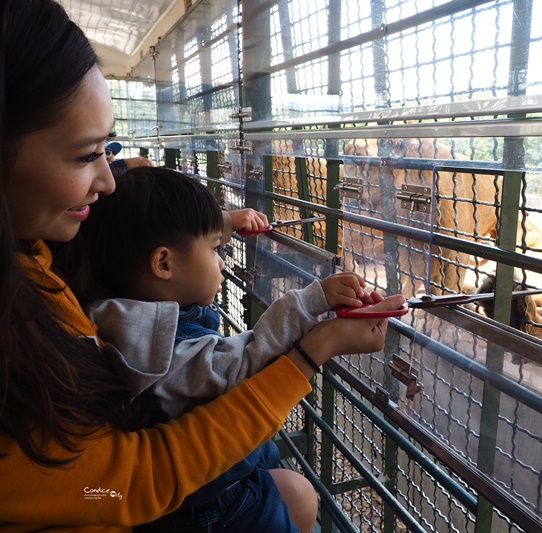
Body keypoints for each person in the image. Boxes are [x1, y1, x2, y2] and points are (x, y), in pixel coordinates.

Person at [0, 1, 405, 531]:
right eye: (86, 155)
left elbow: (127, 214)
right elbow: (119, 486)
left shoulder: (41, 255)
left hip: (133, 485)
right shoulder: (72, 317)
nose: (109, 180)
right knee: (288, 495)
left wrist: (219, 223)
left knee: (291, 489)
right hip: (146, 497)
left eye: (110, 151)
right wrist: (314, 348)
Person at [79, 166, 375, 533]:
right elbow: (240, 362)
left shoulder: (125, 311)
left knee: (291, 487)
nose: (222, 262)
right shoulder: (158, 352)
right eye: (216, 249)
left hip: (215, 476)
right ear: (164, 263)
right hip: (213, 506)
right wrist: (310, 302)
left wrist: (224, 223)